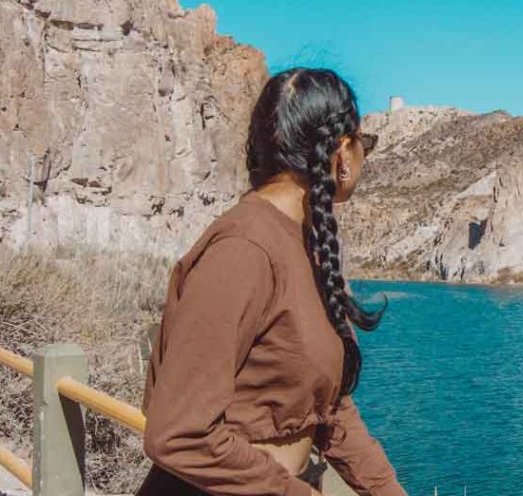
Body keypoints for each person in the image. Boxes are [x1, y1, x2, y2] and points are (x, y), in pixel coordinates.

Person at [135, 68, 407, 496]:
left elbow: (328, 407)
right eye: (363, 143)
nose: (362, 156)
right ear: (341, 153)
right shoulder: (243, 250)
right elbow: (178, 434)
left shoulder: (301, 244)